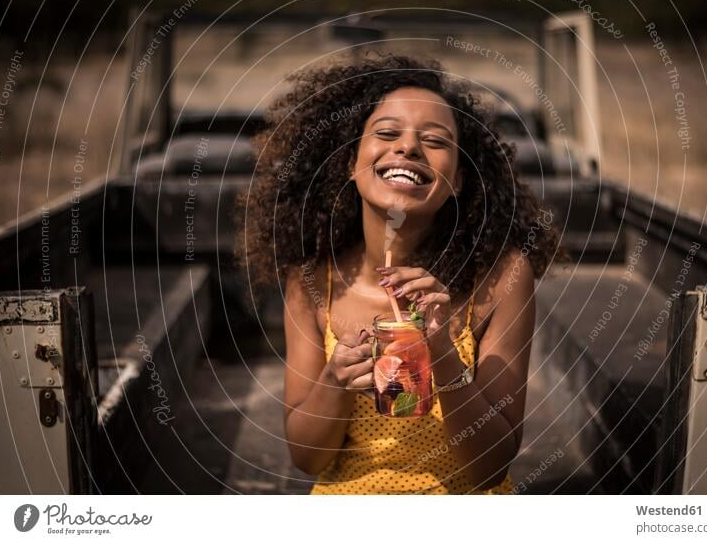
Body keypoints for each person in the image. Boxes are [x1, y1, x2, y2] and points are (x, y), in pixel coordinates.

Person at [236, 54, 559, 494]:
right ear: (351, 163)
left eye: (436, 141)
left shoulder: (502, 278)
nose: (407, 148)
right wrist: (336, 380)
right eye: (387, 133)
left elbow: (490, 465)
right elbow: (307, 458)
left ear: (460, 180)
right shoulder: (312, 280)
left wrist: (443, 351)